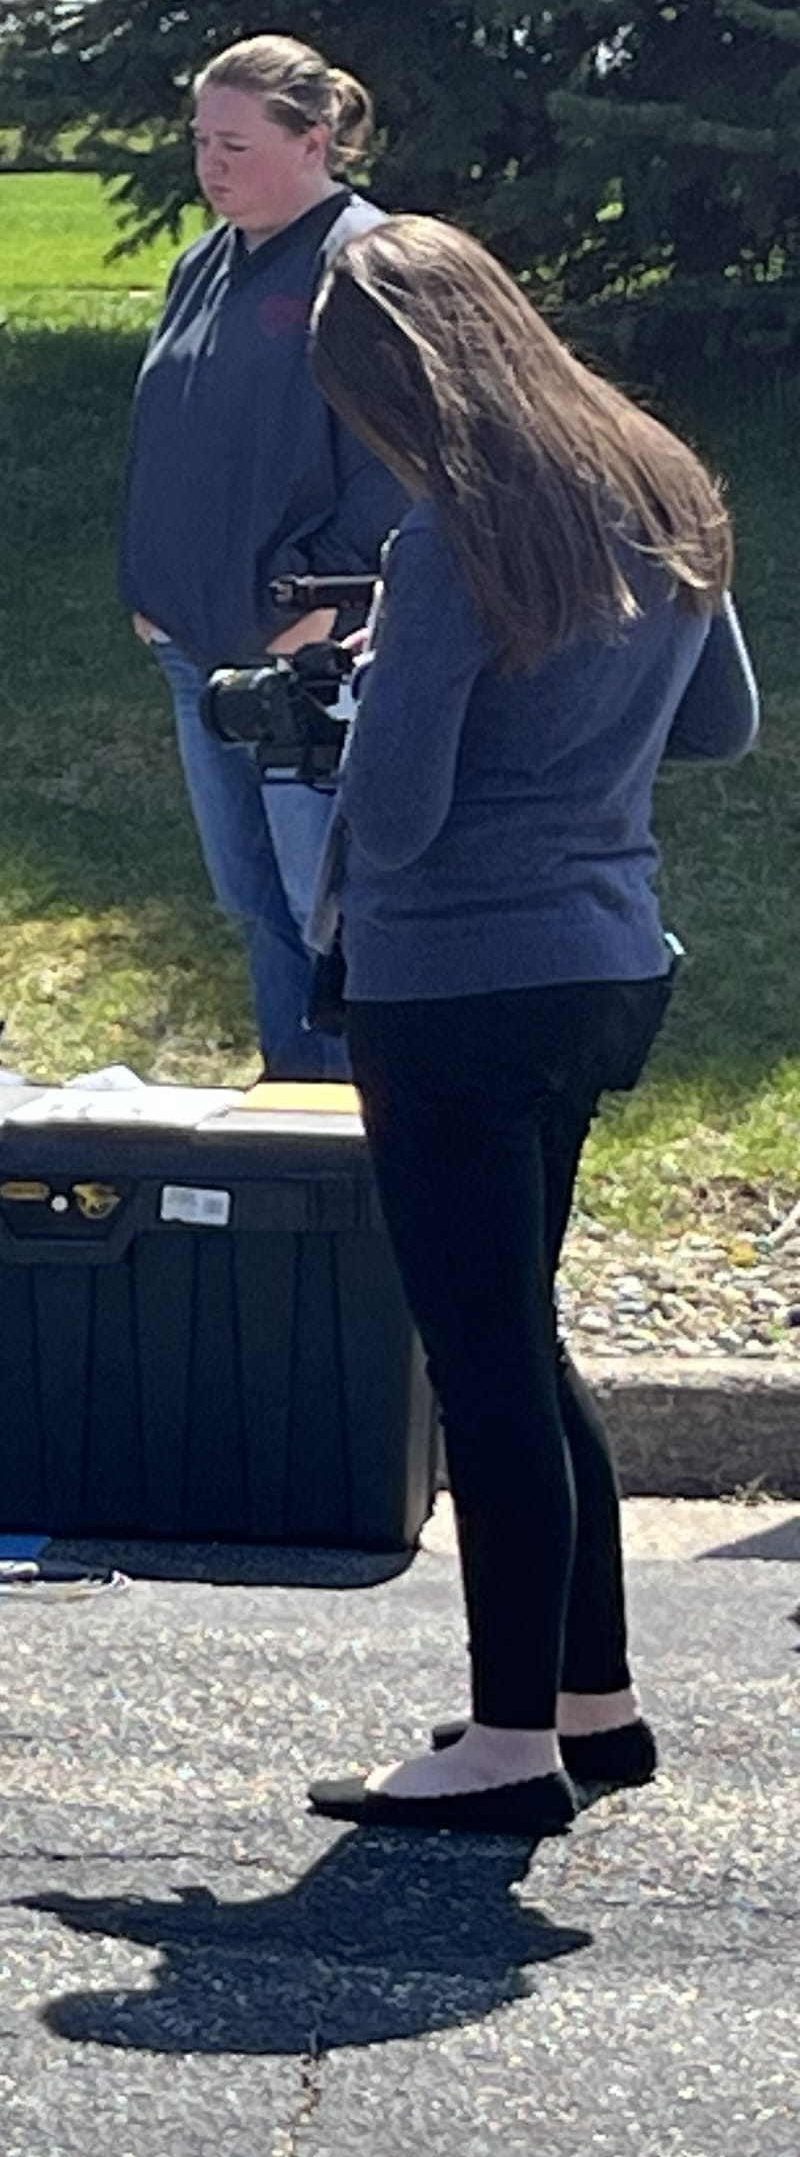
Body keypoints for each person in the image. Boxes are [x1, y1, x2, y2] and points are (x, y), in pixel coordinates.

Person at [296, 216, 755, 1834]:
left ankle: (504, 1743)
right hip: (602, 954)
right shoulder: (657, 483)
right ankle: (590, 1695)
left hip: (451, 977)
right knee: (521, 1326)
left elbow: (403, 812)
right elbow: (721, 719)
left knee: (477, 1351)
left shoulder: (451, 539)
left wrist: (359, 698)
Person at [122, 34, 400, 1081]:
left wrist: (322, 608)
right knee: (250, 898)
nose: (211, 165)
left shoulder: (364, 266)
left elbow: (399, 463)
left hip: (305, 656)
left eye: (235, 143)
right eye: (200, 140)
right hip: (195, 647)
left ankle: (351, 1129)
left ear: (315, 140)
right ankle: (291, 1098)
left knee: (320, 901)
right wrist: (151, 597)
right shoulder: (204, 264)